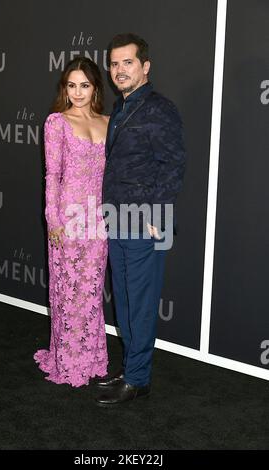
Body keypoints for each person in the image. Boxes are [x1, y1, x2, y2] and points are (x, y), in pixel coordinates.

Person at [95, 33, 186, 404]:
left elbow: (173, 165)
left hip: (144, 221)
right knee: (127, 303)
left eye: (127, 63)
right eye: (114, 64)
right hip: (117, 217)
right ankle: (132, 369)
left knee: (142, 302)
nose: (119, 70)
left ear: (145, 67)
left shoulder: (159, 109)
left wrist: (156, 216)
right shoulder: (121, 107)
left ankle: (138, 379)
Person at [34, 57, 109, 387]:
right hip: (68, 216)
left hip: (98, 219)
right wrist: (53, 219)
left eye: (85, 85)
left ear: (95, 88)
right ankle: (67, 360)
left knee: (91, 290)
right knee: (68, 290)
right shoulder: (57, 123)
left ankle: (91, 357)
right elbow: (52, 174)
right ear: (64, 88)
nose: (77, 92)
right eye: (71, 85)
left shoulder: (110, 121)